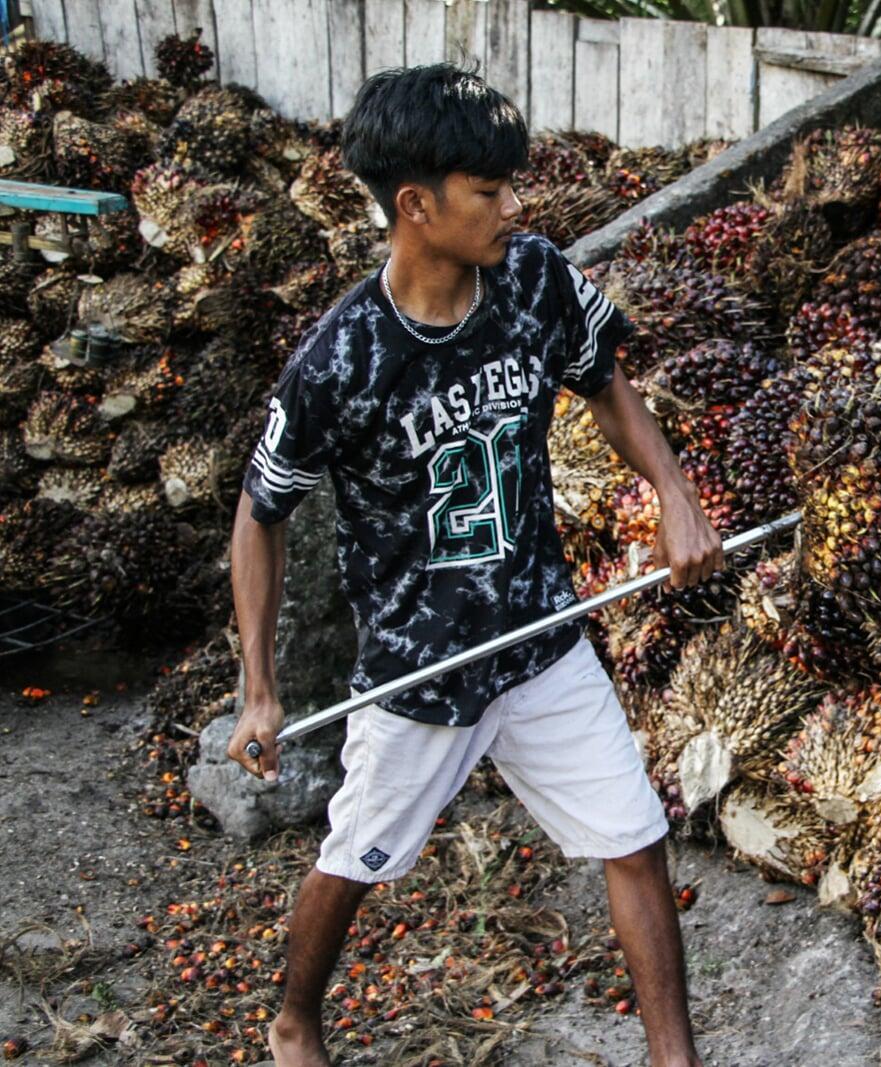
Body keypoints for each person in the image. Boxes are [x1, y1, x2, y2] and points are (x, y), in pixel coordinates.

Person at [226, 64, 720, 1067]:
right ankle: (294, 1018)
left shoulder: (536, 280)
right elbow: (258, 509)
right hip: (421, 668)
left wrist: (675, 495)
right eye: (487, 192)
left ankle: (676, 1058)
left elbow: (606, 380)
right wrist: (259, 688)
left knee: (631, 834)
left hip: (538, 636)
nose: (512, 207)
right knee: (358, 854)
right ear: (416, 205)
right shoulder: (343, 360)